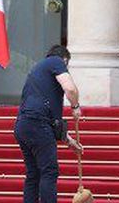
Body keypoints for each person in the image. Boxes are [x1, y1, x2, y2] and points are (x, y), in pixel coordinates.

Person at [14, 45, 83, 203]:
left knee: (33, 174)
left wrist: (69, 141)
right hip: (37, 124)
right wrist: (75, 106)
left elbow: (49, 118)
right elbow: (70, 89)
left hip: (22, 125)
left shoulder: (38, 69)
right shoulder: (56, 61)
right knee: (49, 171)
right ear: (65, 60)